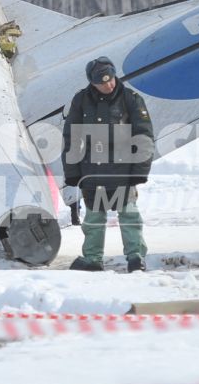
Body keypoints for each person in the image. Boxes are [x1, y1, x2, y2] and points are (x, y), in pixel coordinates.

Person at [61, 56, 154, 272]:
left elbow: (144, 136)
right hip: (92, 171)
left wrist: (140, 170)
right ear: (91, 82)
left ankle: (135, 258)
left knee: (129, 215)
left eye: (111, 79)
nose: (108, 84)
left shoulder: (131, 99)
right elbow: (72, 138)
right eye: (102, 82)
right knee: (93, 218)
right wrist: (72, 172)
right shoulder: (81, 100)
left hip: (124, 170)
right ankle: (93, 259)